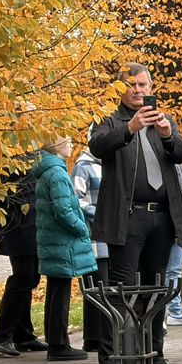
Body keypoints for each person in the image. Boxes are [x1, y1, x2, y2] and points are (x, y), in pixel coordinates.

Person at [89, 62, 182, 364]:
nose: (138, 91)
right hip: (128, 216)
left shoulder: (163, 120)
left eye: (143, 85)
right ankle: (110, 362)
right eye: (132, 85)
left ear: (151, 87)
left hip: (161, 217)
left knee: (156, 288)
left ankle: (155, 355)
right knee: (120, 291)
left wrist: (167, 136)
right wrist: (130, 128)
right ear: (121, 88)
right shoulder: (110, 119)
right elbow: (99, 146)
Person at [33, 137, 96, 361]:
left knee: (55, 289)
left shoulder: (47, 171)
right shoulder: (58, 174)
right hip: (62, 241)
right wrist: (82, 229)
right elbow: (64, 210)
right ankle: (59, 345)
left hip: (52, 239)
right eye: (68, 142)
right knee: (61, 293)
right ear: (58, 147)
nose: (72, 146)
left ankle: (55, 341)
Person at [0, 167, 46, 356]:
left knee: (30, 277)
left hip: (30, 224)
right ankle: (1, 337)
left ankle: (23, 335)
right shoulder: (6, 156)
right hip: (18, 226)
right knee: (24, 277)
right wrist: (5, 215)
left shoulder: (29, 154)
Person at [71, 147, 107, 352]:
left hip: (111, 239)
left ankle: (104, 336)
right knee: (96, 288)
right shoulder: (83, 167)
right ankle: (93, 338)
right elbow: (76, 200)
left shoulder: (111, 164)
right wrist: (100, 213)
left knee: (108, 287)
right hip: (93, 239)